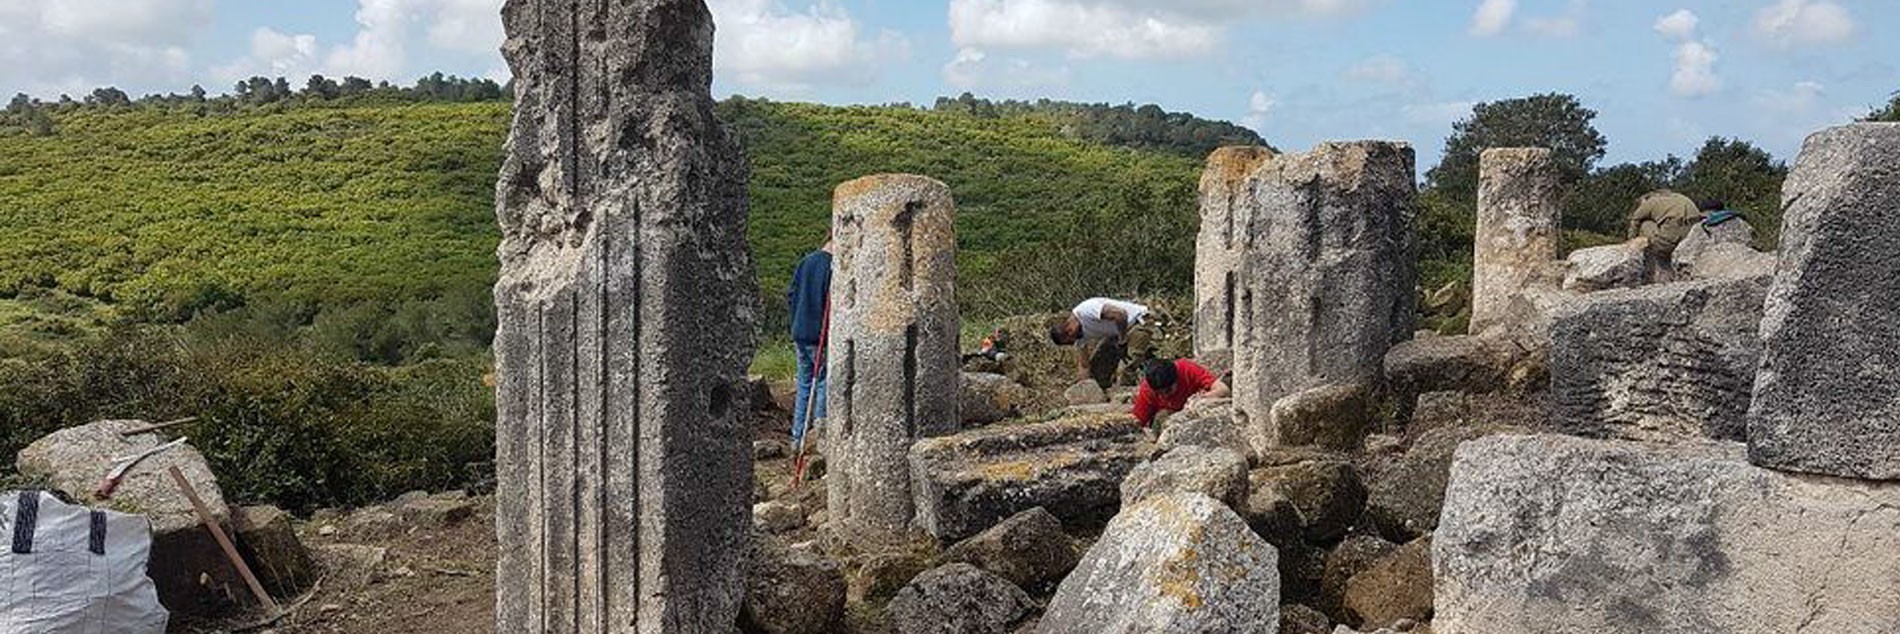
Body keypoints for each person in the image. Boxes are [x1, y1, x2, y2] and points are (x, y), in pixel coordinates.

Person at [786, 237, 832, 448]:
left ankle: (798, 437)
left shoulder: (806, 262)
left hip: (800, 332)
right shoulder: (832, 266)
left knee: (805, 384)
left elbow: (791, 294)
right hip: (818, 335)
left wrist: (795, 320)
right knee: (824, 382)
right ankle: (820, 436)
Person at [1048, 297, 1155, 387]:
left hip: (1138, 321)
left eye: (1069, 342)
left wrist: (1122, 341)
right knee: (1098, 366)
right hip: (1117, 333)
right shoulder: (1078, 335)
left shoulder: (1085, 310)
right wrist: (1084, 387)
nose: (1072, 344)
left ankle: (1127, 398)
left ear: (1069, 331)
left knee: (1125, 369)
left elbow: (1120, 315)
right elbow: (1084, 365)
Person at [1131, 358, 1230, 435]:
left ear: (1177, 379)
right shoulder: (1147, 389)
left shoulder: (1187, 369)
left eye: (1168, 391)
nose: (1164, 395)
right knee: (1162, 416)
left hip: (1193, 414)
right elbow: (1137, 421)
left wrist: (1199, 399)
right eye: (1159, 393)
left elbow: (1223, 389)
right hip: (1168, 422)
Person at [1627, 190, 1700, 282]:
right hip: (1692, 236)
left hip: (1669, 242)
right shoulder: (1680, 197)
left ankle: (1653, 263)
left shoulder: (1650, 202)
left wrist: (1630, 240)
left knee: (1644, 223)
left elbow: (1635, 220)